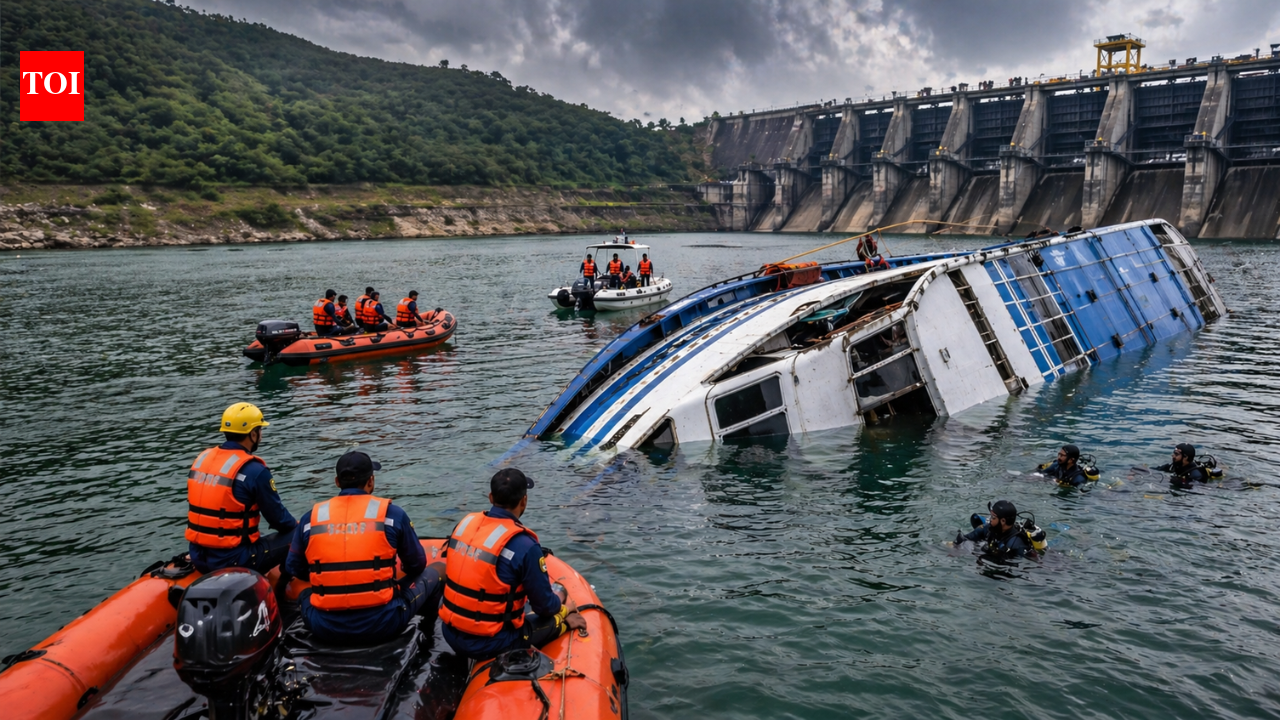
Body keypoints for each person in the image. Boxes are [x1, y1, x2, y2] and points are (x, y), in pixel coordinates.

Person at [286, 451, 442, 645]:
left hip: (324, 627)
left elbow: (293, 567)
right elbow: (417, 565)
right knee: (435, 573)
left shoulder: (312, 518)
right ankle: (428, 639)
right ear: (371, 482)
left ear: (337, 482)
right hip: (382, 625)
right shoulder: (392, 514)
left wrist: (329, 577)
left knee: (301, 589)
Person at [440, 468, 587, 660]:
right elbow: (545, 608)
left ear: (491, 497)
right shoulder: (525, 545)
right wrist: (563, 604)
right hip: (491, 643)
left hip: (449, 632)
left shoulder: (465, 524)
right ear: (524, 501)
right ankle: (566, 621)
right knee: (559, 596)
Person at [187, 403, 297, 574]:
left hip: (198, 556)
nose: (261, 436)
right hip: (235, 560)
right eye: (260, 430)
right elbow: (279, 520)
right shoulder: (255, 471)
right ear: (253, 434)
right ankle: (289, 579)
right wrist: (298, 526)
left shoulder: (202, 460)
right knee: (304, 531)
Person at [954, 500, 1035, 561]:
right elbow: (964, 539)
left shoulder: (1015, 544)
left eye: (993, 517)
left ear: (1003, 521)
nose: (990, 519)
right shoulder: (988, 529)